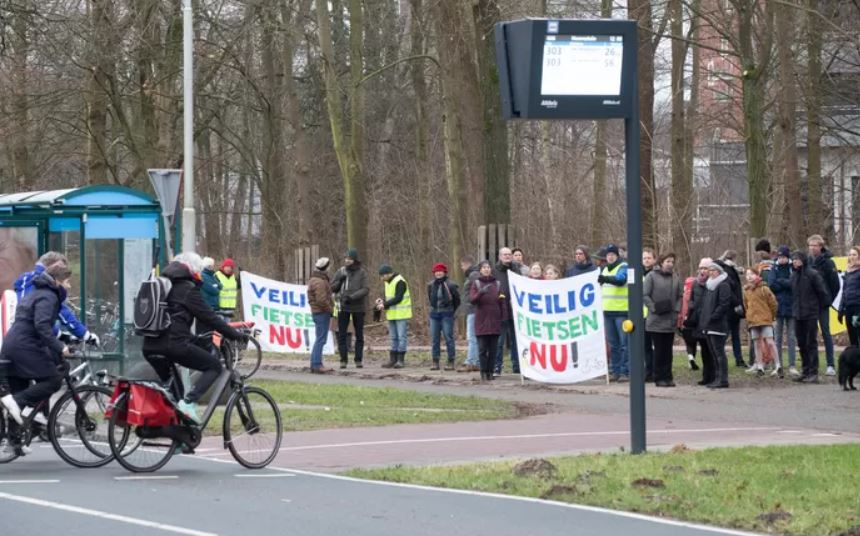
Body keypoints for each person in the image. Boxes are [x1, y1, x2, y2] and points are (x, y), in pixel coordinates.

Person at [142, 252, 247, 423]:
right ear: (191, 270)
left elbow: (172, 322)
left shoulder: (161, 285)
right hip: (173, 345)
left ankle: (176, 435)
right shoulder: (186, 289)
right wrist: (235, 334)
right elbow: (209, 317)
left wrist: (196, 340)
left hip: (150, 346)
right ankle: (190, 403)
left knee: (175, 395)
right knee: (214, 366)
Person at [0, 263, 74, 427]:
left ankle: (14, 442)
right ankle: (14, 403)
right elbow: (42, 326)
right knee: (53, 380)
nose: (69, 286)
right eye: (67, 281)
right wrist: (61, 347)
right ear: (57, 281)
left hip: (11, 345)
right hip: (25, 346)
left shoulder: (36, 293)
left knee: (20, 389)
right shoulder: (48, 296)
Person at [14, 251, 99, 345]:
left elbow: (38, 317)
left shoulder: (27, 279)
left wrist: (60, 335)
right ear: (54, 266)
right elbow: (62, 312)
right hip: (28, 341)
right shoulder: (43, 284)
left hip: (16, 335)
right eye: (60, 269)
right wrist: (85, 335)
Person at [790, 251, 830, 384]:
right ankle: (805, 370)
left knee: (810, 342)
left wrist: (819, 308)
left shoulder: (812, 274)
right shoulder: (794, 275)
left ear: (803, 260)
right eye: (793, 260)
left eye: (797, 259)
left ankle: (813, 372)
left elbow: (822, 292)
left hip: (811, 313)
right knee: (801, 343)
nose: (794, 262)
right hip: (797, 313)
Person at [643, 253, 682, 387]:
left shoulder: (675, 277)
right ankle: (658, 377)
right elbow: (645, 294)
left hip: (670, 319)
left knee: (668, 351)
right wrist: (654, 307)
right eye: (667, 261)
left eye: (672, 261)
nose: (670, 264)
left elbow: (679, 296)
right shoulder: (651, 276)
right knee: (659, 350)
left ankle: (668, 376)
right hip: (656, 319)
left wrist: (677, 310)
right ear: (661, 262)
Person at [331, 249, 369, 369]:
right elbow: (332, 288)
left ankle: (358, 359)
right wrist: (339, 281)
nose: (347, 260)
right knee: (341, 334)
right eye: (345, 258)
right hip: (343, 307)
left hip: (358, 307)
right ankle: (343, 360)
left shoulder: (362, 273)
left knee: (359, 335)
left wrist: (352, 297)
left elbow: (366, 289)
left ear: (355, 260)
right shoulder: (340, 271)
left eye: (349, 258)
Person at [807, 234, 840, 376]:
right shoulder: (806, 261)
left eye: (815, 245)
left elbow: (835, 285)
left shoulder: (828, 263)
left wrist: (828, 299)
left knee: (826, 333)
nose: (812, 248)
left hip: (823, 304)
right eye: (810, 245)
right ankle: (812, 365)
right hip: (809, 304)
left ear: (820, 246)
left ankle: (830, 364)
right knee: (810, 334)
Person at [698, 262, 733, 389]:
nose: (711, 272)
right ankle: (716, 378)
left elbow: (723, 305)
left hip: (718, 325)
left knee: (719, 352)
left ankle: (723, 379)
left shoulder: (723, 285)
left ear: (719, 271)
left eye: (713, 270)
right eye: (709, 270)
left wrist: (713, 317)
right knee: (713, 352)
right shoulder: (709, 286)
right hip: (708, 324)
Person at [598, 244, 629, 382]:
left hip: (621, 311)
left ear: (617, 255)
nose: (610, 257)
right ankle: (615, 371)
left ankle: (625, 371)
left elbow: (621, 280)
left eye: (612, 254)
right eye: (608, 255)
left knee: (624, 344)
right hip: (608, 311)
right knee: (614, 345)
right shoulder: (604, 269)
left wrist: (606, 279)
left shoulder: (623, 267)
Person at [470, 261, 505, 381]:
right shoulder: (476, 283)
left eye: (488, 267)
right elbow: (472, 300)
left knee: (493, 349)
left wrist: (503, 316)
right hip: (482, 320)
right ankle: (483, 372)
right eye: (484, 267)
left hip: (495, 320)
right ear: (480, 270)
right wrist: (481, 292)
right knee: (482, 349)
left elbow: (502, 300)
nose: (486, 269)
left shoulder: (498, 284)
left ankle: (490, 371)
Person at [743, 267, 780, 377]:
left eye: (751, 274)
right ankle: (760, 366)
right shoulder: (746, 291)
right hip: (753, 321)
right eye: (747, 274)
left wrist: (771, 317)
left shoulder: (764, 288)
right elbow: (746, 305)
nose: (749, 276)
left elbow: (773, 304)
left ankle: (778, 365)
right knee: (757, 344)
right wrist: (749, 316)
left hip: (765, 320)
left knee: (770, 342)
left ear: (757, 275)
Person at [681, 258, 713, 381]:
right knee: (704, 350)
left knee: (711, 350)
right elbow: (692, 299)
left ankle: (714, 375)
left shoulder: (713, 283)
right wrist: (690, 312)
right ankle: (706, 377)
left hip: (710, 320)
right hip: (697, 320)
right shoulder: (695, 283)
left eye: (705, 268)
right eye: (701, 268)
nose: (703, 271)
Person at [493, 247, 523, 375]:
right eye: (504, 254)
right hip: (500, 311)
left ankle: (517, 366)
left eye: (509, 254)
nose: (507, 256)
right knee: (499, 341)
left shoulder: (517, 270)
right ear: (500, 256)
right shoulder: (494, 271)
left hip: (515, 310)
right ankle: (497, 366)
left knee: (516, 340)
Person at [768, 246, 797, 376]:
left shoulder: (793, 268)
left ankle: (792, 365)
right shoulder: (773, 268)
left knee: (791, 337)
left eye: (783, 257)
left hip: (791, 306)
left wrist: (782, 282)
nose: (781, 260)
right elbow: (772, 285)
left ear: (788, 257)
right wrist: (785, 284)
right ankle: (777, 364)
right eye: (779, 257)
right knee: (777, 337)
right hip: (778, 306)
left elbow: (794, 284)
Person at [376, 264, 411, 369]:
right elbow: (390, 297)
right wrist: (382, 300)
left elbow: (398, 298)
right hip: (392, 314)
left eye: (382, 276)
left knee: (401, 337)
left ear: (388, 274)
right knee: (393, 338)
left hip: (401, 314)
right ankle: (393, 360)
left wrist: (384, 304)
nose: (381, 278)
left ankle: (400, 360)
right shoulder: (388, 282)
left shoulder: (400, 281)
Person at [427, 263, 460, 371]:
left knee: (448, 338)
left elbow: (457, 300)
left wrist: (451, 311)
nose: (438, 273)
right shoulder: (431, 285)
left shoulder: (451, 285)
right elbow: (430, 299)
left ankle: (451, 361)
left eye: (440, 271)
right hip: (434, 315)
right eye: (436, 271)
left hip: (447, 314)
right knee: (435, 339)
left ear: (445, 272)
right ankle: (435, 361)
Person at [716, 250, 746, 368]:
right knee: (729, 334)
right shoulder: (728, 270)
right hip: (731, 307)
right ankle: (723, 357)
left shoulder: (728, 269)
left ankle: (738, 359)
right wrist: (738, 303)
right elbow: (731, 289)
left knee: (733, 334)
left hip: (733, 307)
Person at [307, 257, 335, 374]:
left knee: (319, 338)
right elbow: (322, 300)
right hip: (322, 313)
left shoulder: (314, 279)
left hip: (317, 312)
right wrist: (330, 310)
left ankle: (314, 364)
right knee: (321, 339)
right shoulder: (320, 281)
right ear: (326, 267)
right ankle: (317, 364)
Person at [457, 256, 480, 372]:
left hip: (473, 310)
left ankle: (471, 361)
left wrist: (471, 303)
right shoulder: (473, 274)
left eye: (462, 265)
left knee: (472, 337)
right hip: (472, 310)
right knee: (473, 337)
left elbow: (475, 293)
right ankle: (474, 361)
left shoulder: (473, 275)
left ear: (467, 264)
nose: (461, 268)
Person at [838, 246, 860, 347]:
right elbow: (844, 291)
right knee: (852, 338)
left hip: (858, 308)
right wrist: (841, 309)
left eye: (854, 254)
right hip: (848, 307)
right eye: (850, 254)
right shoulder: (848, 271)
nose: (852, 257)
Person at [642, 247, 657, 382]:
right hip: (641, 315)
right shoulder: (637, 273)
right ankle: (649, 372)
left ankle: (656, 370)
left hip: (654, 314)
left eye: (649, 258)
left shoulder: (656, 274)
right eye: (644, 258)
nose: (646, 260)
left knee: (656, 345)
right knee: (645, 345)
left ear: (654, 259)